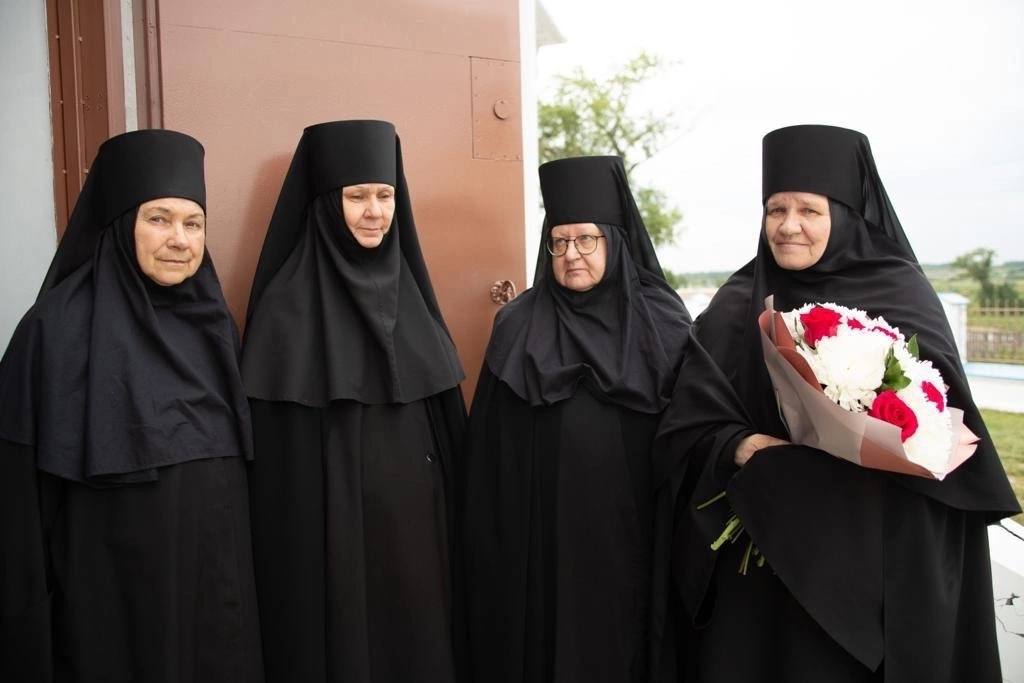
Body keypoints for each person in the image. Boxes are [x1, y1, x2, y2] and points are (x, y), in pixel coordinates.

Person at [657, 124, 1020, 682]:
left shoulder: (901, 294)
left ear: (847, 216)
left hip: (873, 565)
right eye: (776, 210)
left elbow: (942, 427)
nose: (788, 226)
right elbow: (687, 420)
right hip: (764, 565)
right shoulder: (736, 303)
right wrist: (739, 445)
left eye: (809, 210)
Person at [0, 129, 263, 681]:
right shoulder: (52, 332)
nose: (179, 240)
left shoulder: (215, 326)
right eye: (158, 219)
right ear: (121, 224)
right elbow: (18, 506)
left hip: (211, 592)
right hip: (108, 600)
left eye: (193, 224)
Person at [241, 120, 466, 683]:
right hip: (325, 533)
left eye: (385, 196)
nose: (374, 212)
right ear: (324, 203)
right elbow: (275, 471)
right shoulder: (285, 308)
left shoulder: (413, 297)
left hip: (412, 533)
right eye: (357, 196)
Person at [463, 155, 691, 683]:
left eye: (586, 239)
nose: (571, 255)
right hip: (542, 541)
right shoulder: (517, 324)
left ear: (615, 241)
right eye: (559, 242)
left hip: (636, 537)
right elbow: (490, 453)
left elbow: (692, 437)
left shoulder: (663, 323)